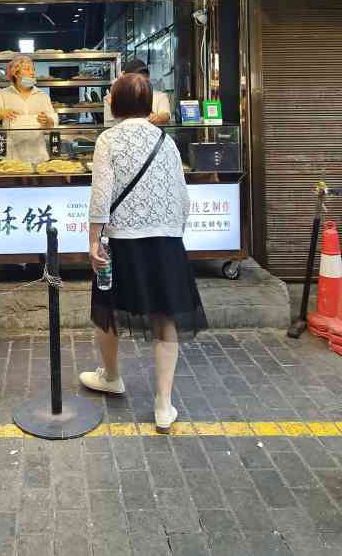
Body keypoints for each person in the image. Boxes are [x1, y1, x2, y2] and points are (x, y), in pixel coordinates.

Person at [80, 72, 207, 433]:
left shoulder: (108, 139)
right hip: (165, 241)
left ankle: (112, 375)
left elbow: (100, 195)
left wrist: (93, 241)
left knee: (108, 308)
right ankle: (163, 404)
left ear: (115, 103)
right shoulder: (165, 142)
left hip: (121, 240)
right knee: (164, 316)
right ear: (148, 103)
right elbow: (183, 197)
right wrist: (173, 234)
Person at [0, 54, 58, 164]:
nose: (32, 73)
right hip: (12, 156)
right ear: (16, 73)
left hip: (38, 155)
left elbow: (54, 120)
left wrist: (48, 120)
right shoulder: (2, 95)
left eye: (33, 69)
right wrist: (0, 113)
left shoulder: (42, 96)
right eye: (27, 69)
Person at [103, 58, 171, 126]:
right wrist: (114, 105)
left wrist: (161, 117)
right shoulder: (113, 98)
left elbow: (164, 116)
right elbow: (110, 126)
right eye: (136, 77)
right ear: (125, 78)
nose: (142, 81)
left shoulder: (160, 97)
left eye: (145, 76)